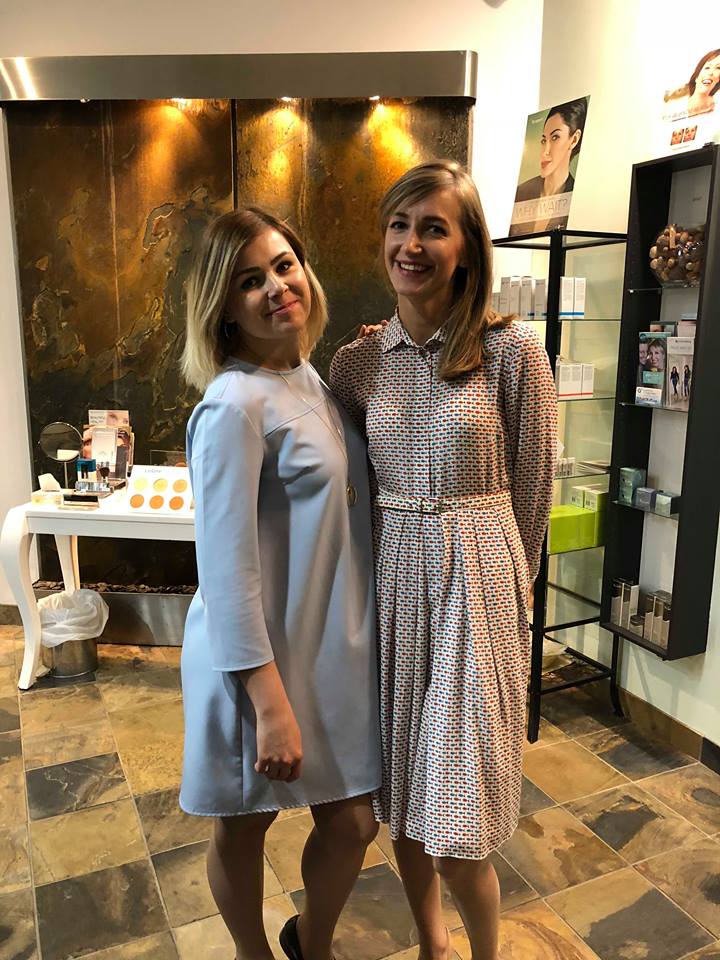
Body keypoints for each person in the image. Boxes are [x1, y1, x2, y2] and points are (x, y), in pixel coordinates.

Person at [330, 160, 557, 960]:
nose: (412, 244)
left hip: (480, 585)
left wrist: (513, 603)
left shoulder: (513, 352)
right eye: (399, 225)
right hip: (395, 585)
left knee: (461, 820)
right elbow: (347, 488)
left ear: (467, 248)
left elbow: (534, 492)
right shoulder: (357, 363)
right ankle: (433, 943)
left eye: (433, 228)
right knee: (404, 794)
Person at [180, 208, 381, 960]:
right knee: (244, 822)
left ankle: (310, 943)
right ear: (224, 308)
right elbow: (224, 571)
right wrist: (268, 705)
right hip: (255, 664)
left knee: (353, 823)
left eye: (284, 265)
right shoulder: (232, 406)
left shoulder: (313, 380)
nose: (276, 287)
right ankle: (253, 954)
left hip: (322, 652)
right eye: (249, 281)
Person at [509, 98, 587, 235]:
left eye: (555, 137)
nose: (545, 151)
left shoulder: (579, 201)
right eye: (544, 140)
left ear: (574, 139)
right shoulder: (521, 192)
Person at [665, 49, 720, 118]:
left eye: (718, 68)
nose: (710, 73)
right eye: (707, 67)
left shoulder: (716, 108)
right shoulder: (674, 106)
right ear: (697, 75)